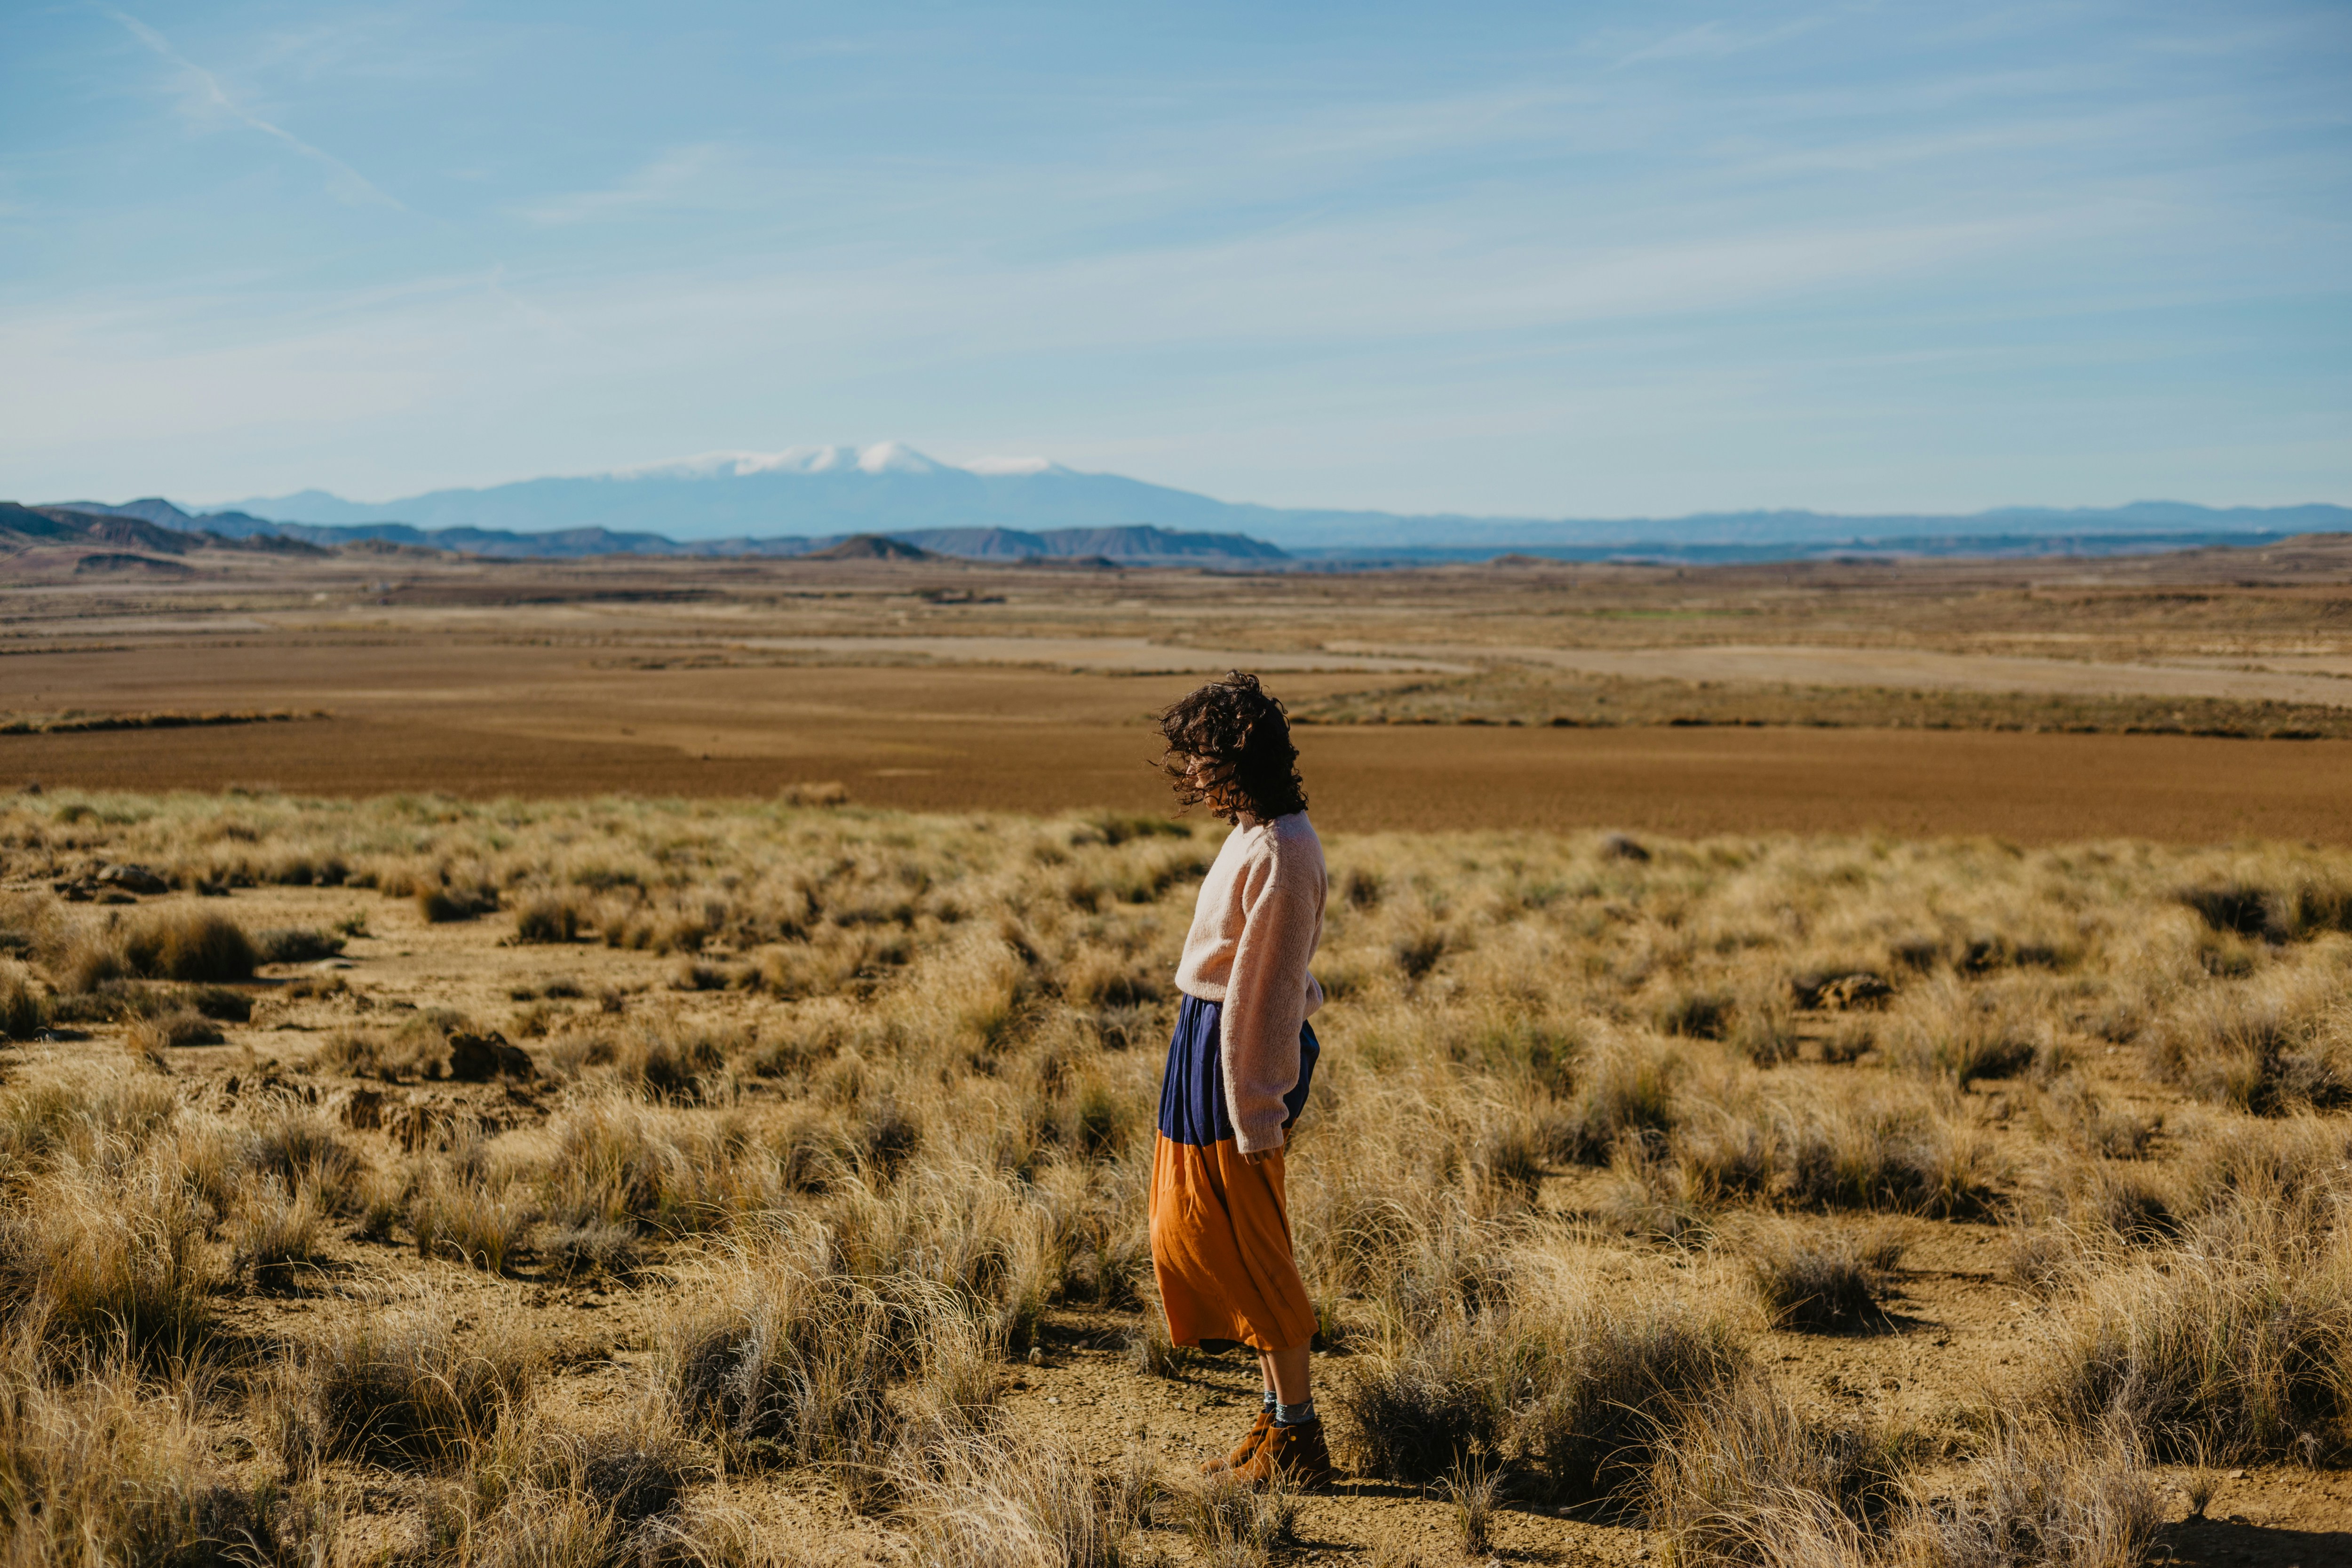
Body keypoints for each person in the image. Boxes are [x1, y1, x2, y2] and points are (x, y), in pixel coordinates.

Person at [1148, 670, 1334, 1489]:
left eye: (1199, 758)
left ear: (1235, 759)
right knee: (1205, 1237)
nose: (1189, 774)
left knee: (1259, 1250)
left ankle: (1299, 1437)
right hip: (1209, 1051)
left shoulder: (1286, 851)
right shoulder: (1256, 832)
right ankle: (1273, 1417)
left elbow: (1264, 992)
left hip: (1239, 1066)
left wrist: (1257, 1114)